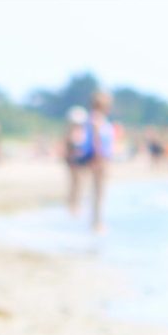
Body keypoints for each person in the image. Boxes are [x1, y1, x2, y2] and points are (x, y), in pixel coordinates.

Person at [72, 91, 115, 232]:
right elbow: (96, 141)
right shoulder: (97, 119)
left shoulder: (93, 118)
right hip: (99, 159)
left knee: (97, 192)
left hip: (98, 158)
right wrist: (98, 159)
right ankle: (97, 223)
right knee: (99, 192)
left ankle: (95, 222)